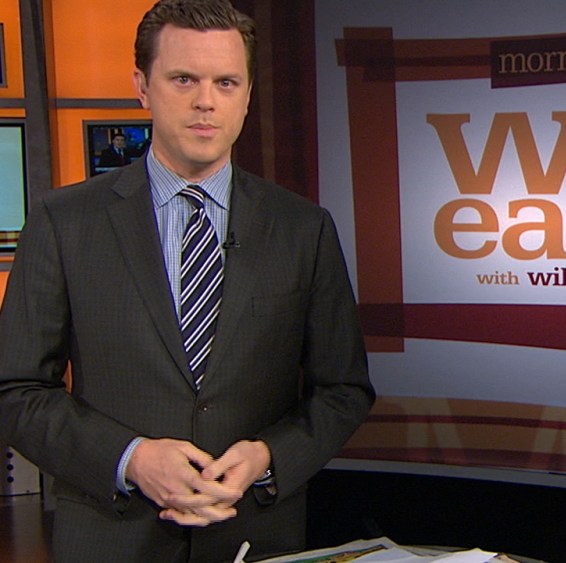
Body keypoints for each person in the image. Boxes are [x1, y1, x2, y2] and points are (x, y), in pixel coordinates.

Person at [0, 1, 374, 561]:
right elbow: (16, 391)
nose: (206, 101)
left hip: (252, 536)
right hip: (111, 538)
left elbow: (344, 390)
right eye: (183, 79)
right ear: (142, 87)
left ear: (247, 95)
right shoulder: (64, 222)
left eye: (226, 82)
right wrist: (130, 459)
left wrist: (268, 457)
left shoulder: (303, 228)